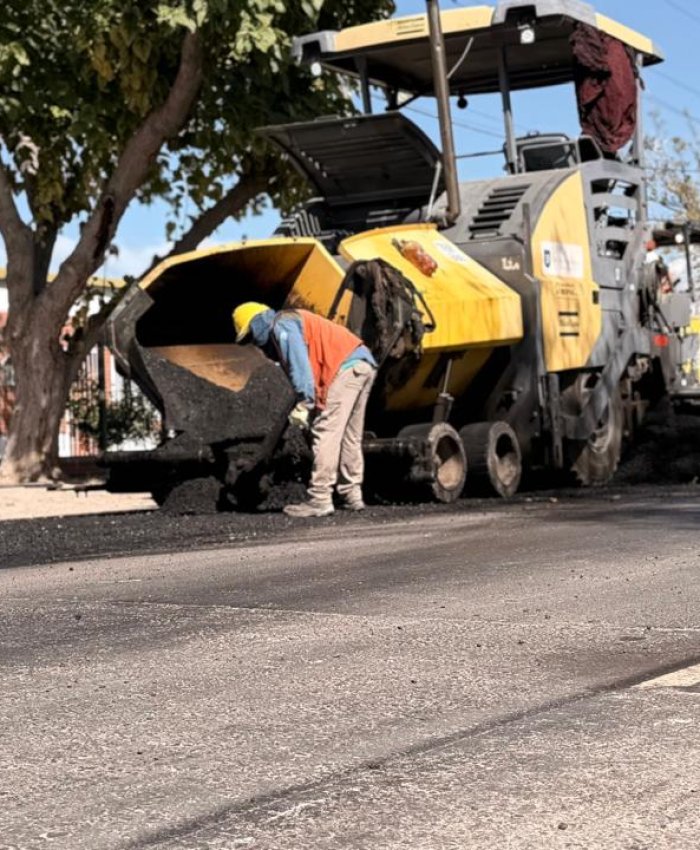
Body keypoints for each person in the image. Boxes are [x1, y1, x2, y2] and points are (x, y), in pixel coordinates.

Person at [233, 302, 377, 518]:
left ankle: (320, 498)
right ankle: (351, 495)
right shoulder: (293, 319)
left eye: (251, 335)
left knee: (326, 431)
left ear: (258, 322)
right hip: (362, 364)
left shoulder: (281, 325)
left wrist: (305, 403)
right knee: (349, 435)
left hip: (344, 368)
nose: (254, 343)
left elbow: (301, 369)